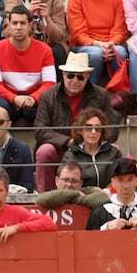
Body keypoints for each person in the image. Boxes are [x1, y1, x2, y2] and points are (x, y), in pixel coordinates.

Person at [33, 51, 118, 191]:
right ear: (63, 75)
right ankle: (45, 197)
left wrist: (92, 140)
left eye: (80, 77)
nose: (75, 80)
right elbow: (40, 130)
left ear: (87, 77)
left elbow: (113, 129)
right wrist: (68, 142)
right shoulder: (48, 96)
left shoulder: (101, 95)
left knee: (115, 151)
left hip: (91, 148)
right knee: (44, 151)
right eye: (70, 76)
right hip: (60, 148)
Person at [65, 0, 128, 85]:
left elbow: (120, 30)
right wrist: (100, 45)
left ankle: (119, 91)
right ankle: (91, 92)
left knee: (120, 52)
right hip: (84, 45)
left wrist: (110, 44)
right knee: (95, 54)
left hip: (111, 43)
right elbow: (78, 33)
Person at [0, 5, 57, 123]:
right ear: (8, 24)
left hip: (34, 99)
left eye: (22, 23)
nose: (18, 27)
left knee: (49, 103)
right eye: (14, 23)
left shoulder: (45, 50)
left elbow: (49, 83)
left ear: (30, 25)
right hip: (7, 100)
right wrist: (14, 98)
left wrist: (34, 98)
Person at [3, 0, 68, 68]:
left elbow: (60, 36)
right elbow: (7, 33)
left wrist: (47, 19)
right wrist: (28, 14)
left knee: (58, 51)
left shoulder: (55, 0)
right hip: (22, 43)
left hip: (48, 44)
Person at [86, 156, 137, 230]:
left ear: (136, 181)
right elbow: (88, 243)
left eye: (130, 179)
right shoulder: (99, 213)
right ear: (113, 182)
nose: (125, 186)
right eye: (120, 180)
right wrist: (106, 228)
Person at [62, 106, 122, 188]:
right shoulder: (71, 155)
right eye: (88, 128)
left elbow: (120, 178)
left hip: (109, 196)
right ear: (80, 130)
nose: (93, 132)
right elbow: (67, 184)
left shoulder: (114, 152)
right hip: (82, 197)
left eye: (97, 128)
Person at [33, 160, 109, 210]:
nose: (69, 184)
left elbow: (104, 199)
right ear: (56, 181)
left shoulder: (86, 191)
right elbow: (40, 200)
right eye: (65, 180)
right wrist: (74, 193)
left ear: (81, 183)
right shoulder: (51, 195)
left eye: (74, 181)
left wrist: (75, 197)